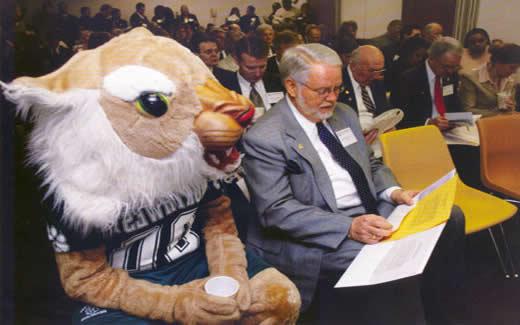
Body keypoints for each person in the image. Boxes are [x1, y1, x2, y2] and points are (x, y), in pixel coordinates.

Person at [241, 43, 466, 324]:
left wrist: (394, 192)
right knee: (391, 260)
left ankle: (429, 296)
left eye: (336, 88)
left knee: (451, 217)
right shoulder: (266, 137)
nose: (332, 98)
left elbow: (370, 164)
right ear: (291, 86)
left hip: (370, 210)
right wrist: (347, 226)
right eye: (322, 90)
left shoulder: (344, 114)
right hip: (320, 229)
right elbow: (276, 210)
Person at [397, 36, 463, 129]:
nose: (450, 71)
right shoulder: (409, 79)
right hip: (421, 131)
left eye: (455, 67)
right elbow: (401, 116)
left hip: (448, 131)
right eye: (446, 66)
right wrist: (428, 122)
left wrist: (458, 118)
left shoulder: (452, 76)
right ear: (431, 58)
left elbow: (455, 105)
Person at [337, 45, 392, 152]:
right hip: (352, 145)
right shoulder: (338, 83)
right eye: (371, 70)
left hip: (381, 140)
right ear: (353, 66)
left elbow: (385, 109)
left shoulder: (377, 80)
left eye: (380, 71)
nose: (377, 76)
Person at [215, 35, 275, 119]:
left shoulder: (278, 82)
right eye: (250, 68)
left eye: (262, 67)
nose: (257, 74)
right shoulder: (224, 88)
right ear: (236, 60)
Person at [459, 43, 520, 117]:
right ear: (498, 62)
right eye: (512, 67)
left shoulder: (510, 80)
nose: (514, 72)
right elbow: (467, 111)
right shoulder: (471, 77)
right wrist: (496, 114)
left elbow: (511, 106)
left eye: (517, 68)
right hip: (478, 124)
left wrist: (511, 107)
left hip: (500, 122)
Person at [388, 36, 430, 106]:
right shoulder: (396, 68)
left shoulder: (420, 69)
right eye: (417, 55)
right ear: (408, 52)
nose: (420, 59)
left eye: (423, 57)